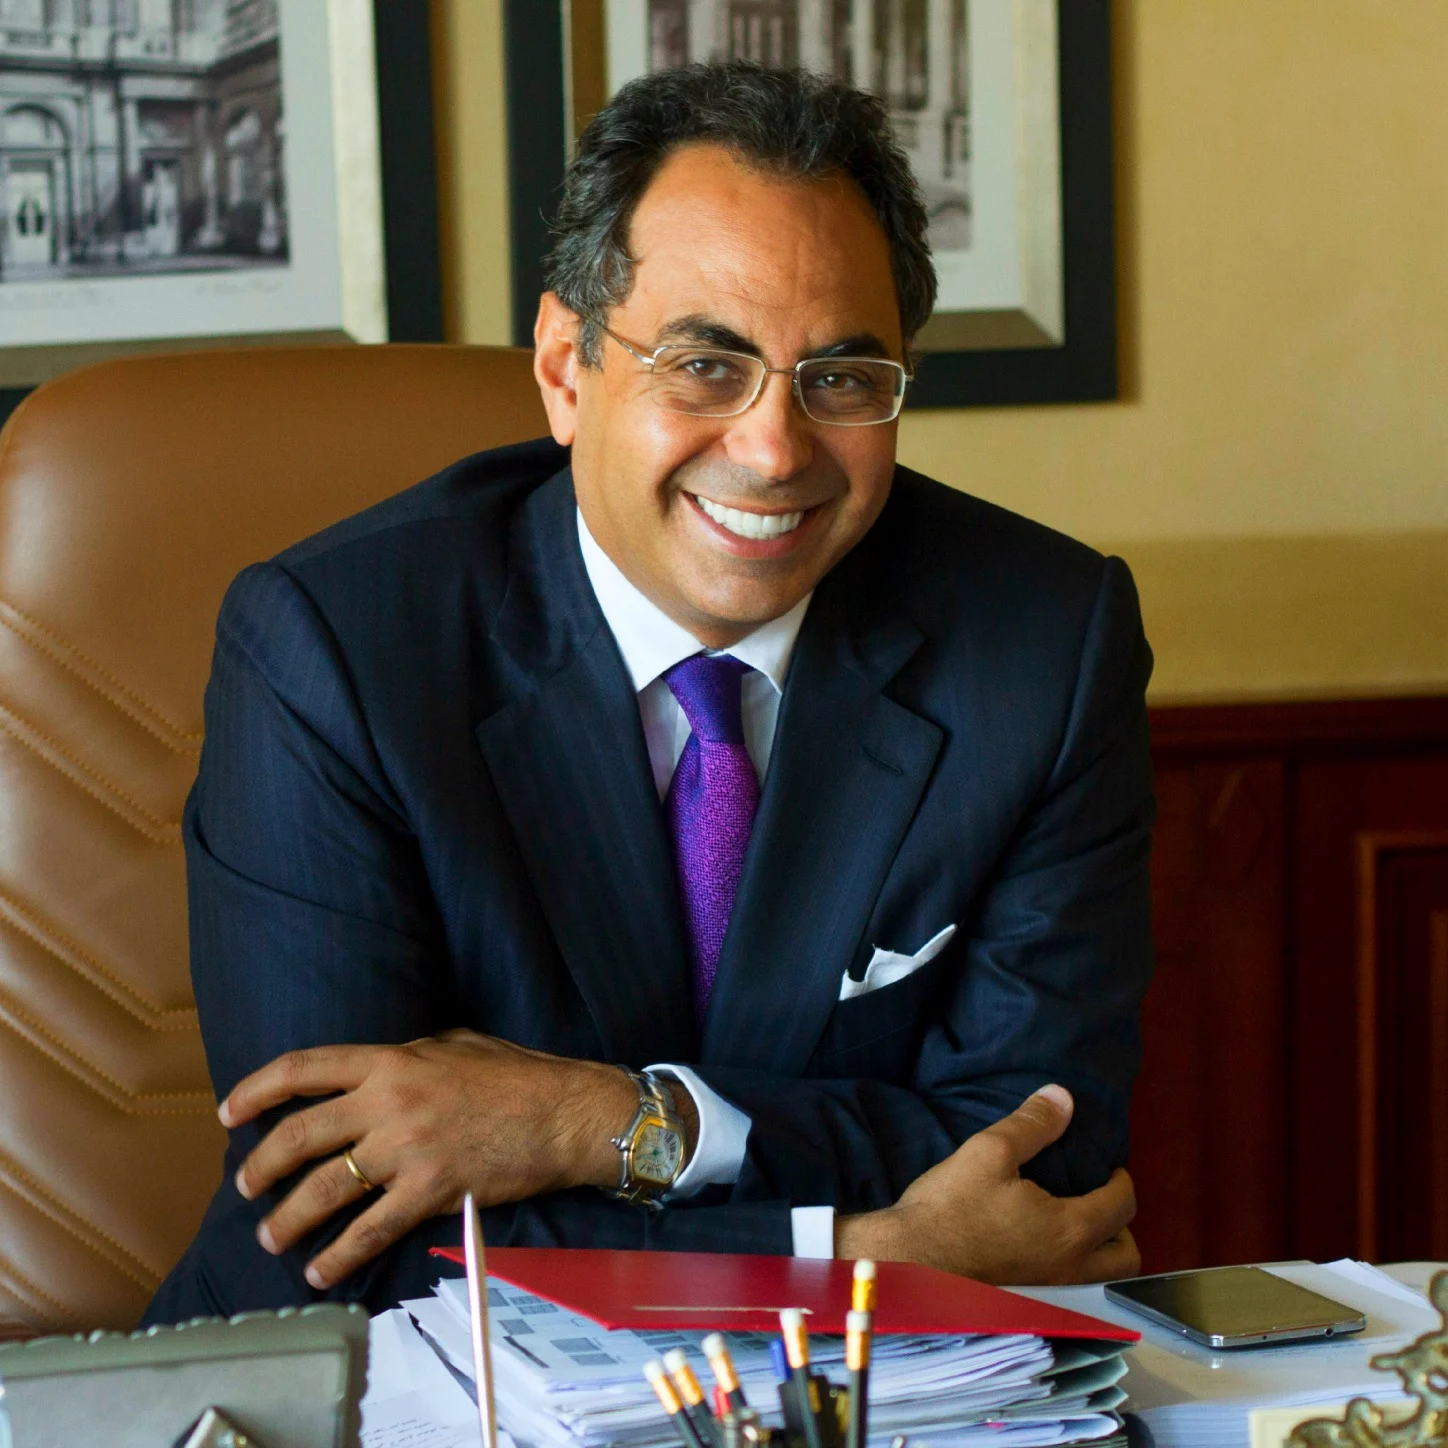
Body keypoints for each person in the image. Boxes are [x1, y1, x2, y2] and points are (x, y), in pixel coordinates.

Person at [145, 61, 1153, 1324]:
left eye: (841, 378)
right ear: (565, 370)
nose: (773, 449)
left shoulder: (1041, 642)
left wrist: (604, 1120)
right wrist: (856, 1256)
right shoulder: (335, 651)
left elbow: (1038, 1171)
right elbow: (344, 1224)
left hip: (885, 1394)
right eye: (704, 364)